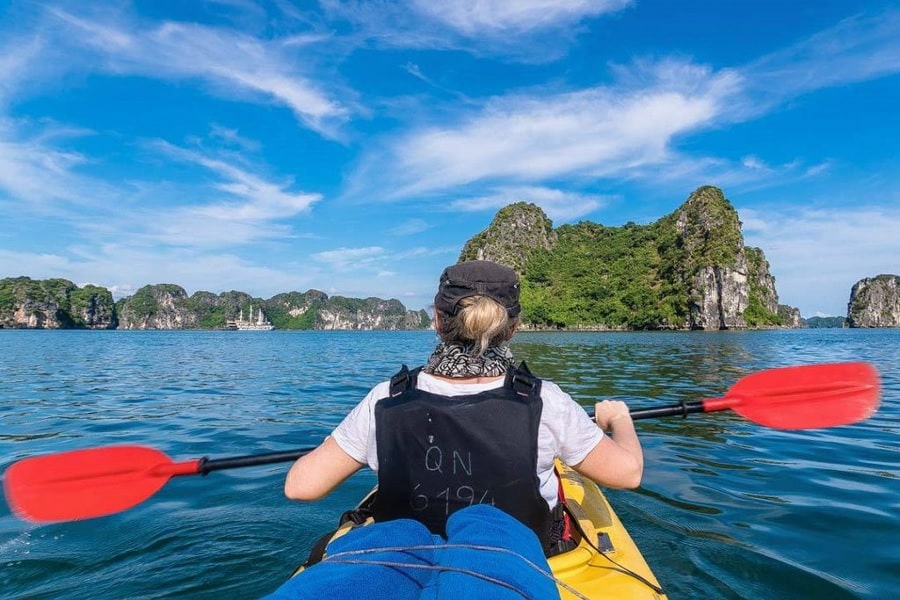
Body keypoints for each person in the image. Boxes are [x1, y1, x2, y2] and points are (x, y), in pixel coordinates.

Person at [274, 260, 643, 595]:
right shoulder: (545, 400)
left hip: (399, 557)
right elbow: (627, 474)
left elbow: (300, 486)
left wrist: (338, 442)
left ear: (436, 320)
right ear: (513, 328)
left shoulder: (386, 397)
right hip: (511, 560)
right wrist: (619, 420)